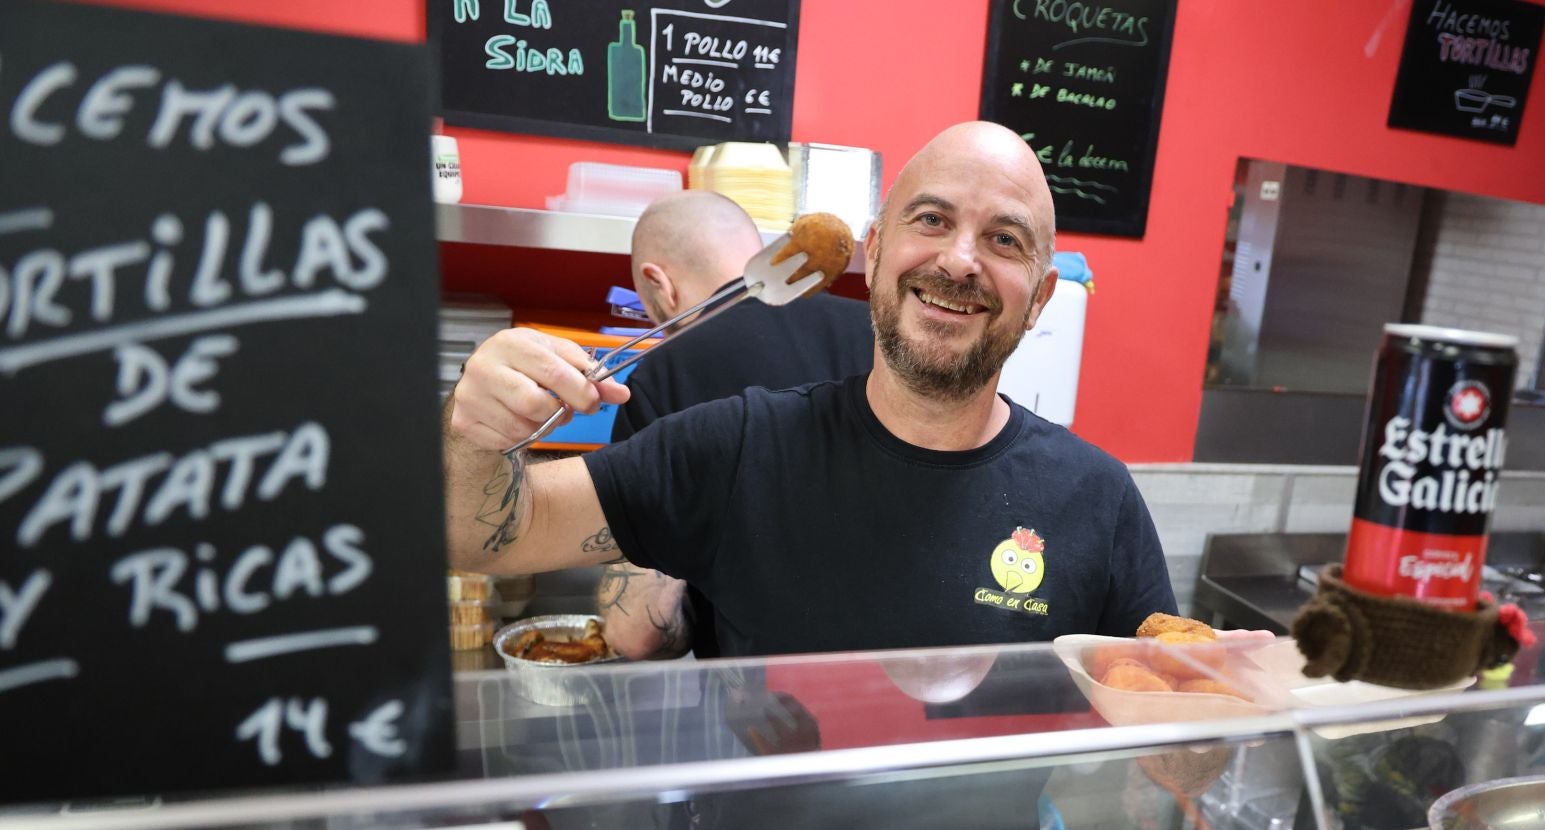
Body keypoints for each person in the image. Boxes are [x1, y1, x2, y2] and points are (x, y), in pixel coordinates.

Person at [443, 121, 1176, 658]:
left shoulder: (1098, 501)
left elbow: (1179, 750)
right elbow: (475, 535)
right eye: (932, 220)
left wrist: (1223, 699)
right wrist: (476, 431)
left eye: (1004, 240)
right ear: (877, 246)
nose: (959, 260)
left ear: (1041, 297)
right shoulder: (737, 451)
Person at [597, 190, 873, 658]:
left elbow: (638, 633)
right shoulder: (881, 333)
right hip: (908, 685)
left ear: (659, 284)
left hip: (757, 709)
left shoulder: (664, 378)